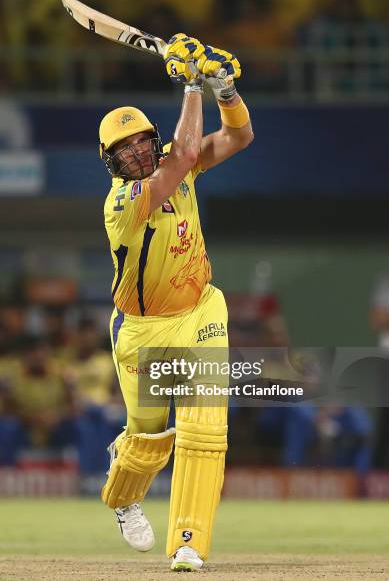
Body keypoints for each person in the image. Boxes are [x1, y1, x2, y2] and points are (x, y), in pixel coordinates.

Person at [97, 34, 253, 572]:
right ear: (110, 162)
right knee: (147, 435)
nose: (137, 152)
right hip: (141, 330)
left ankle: (188, 540)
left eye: (142, 142)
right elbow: (185, 154)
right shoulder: (123, 203)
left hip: (200, 310)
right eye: (124, 149)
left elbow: (240, 135)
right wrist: (190, 82)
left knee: (205, 427)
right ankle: (123, 496)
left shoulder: (177, 164)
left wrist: (224, 88)